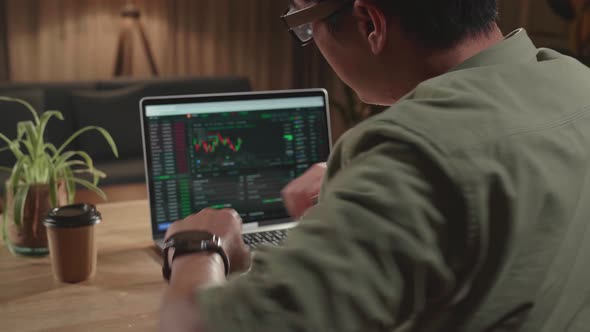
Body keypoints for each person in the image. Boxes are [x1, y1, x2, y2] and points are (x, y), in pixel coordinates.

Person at [160, 0, 590, 331]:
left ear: (370, 23)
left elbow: (194, 325)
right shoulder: (575, 81)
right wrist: (370, 185)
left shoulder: (413, 152)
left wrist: (199, 249)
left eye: (305, 22)